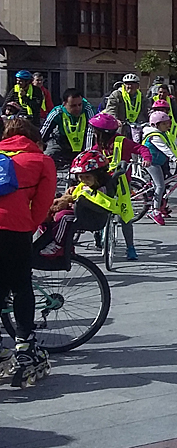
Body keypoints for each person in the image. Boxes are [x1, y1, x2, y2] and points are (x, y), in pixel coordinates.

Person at [0, 116, 56, 388]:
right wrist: (28, 225)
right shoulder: (42, 161)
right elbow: (43, 204)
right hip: (16, 229)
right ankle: (24, 347)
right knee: (22, 286)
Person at [89, 113, 151, 259]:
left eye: (96, 131)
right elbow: (88, 156)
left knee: (125, 215)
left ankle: (130, 248)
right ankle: (98, 233)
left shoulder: (122, 142)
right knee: (97, 208)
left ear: (103, 133)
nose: (94, 134)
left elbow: (141, 149)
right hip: (103, 183)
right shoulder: (98, 147)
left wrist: (146, 159)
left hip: (122, 184)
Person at [142, 111, 177, 225]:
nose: (168, 125)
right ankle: (154, 211)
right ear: (156, 125)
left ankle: (159, 204)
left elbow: (176, 146)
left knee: (162, 183)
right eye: (164, 124)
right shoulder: (155, 136)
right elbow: (165, 149)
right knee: (160, 185)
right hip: (152, 162)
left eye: (168, 123)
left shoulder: (164, 134)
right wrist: (175, 159)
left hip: (159, 161)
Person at [40, 88, 94, 169]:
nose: (78, 108)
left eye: (80, 104)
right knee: (47, 157)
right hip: (62, 143)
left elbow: (91, 132)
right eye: (73, 106)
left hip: (85, 144)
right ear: (64, 104)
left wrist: (86, 155)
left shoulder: (88, 110)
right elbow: (43, 133)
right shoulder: (57, 112)